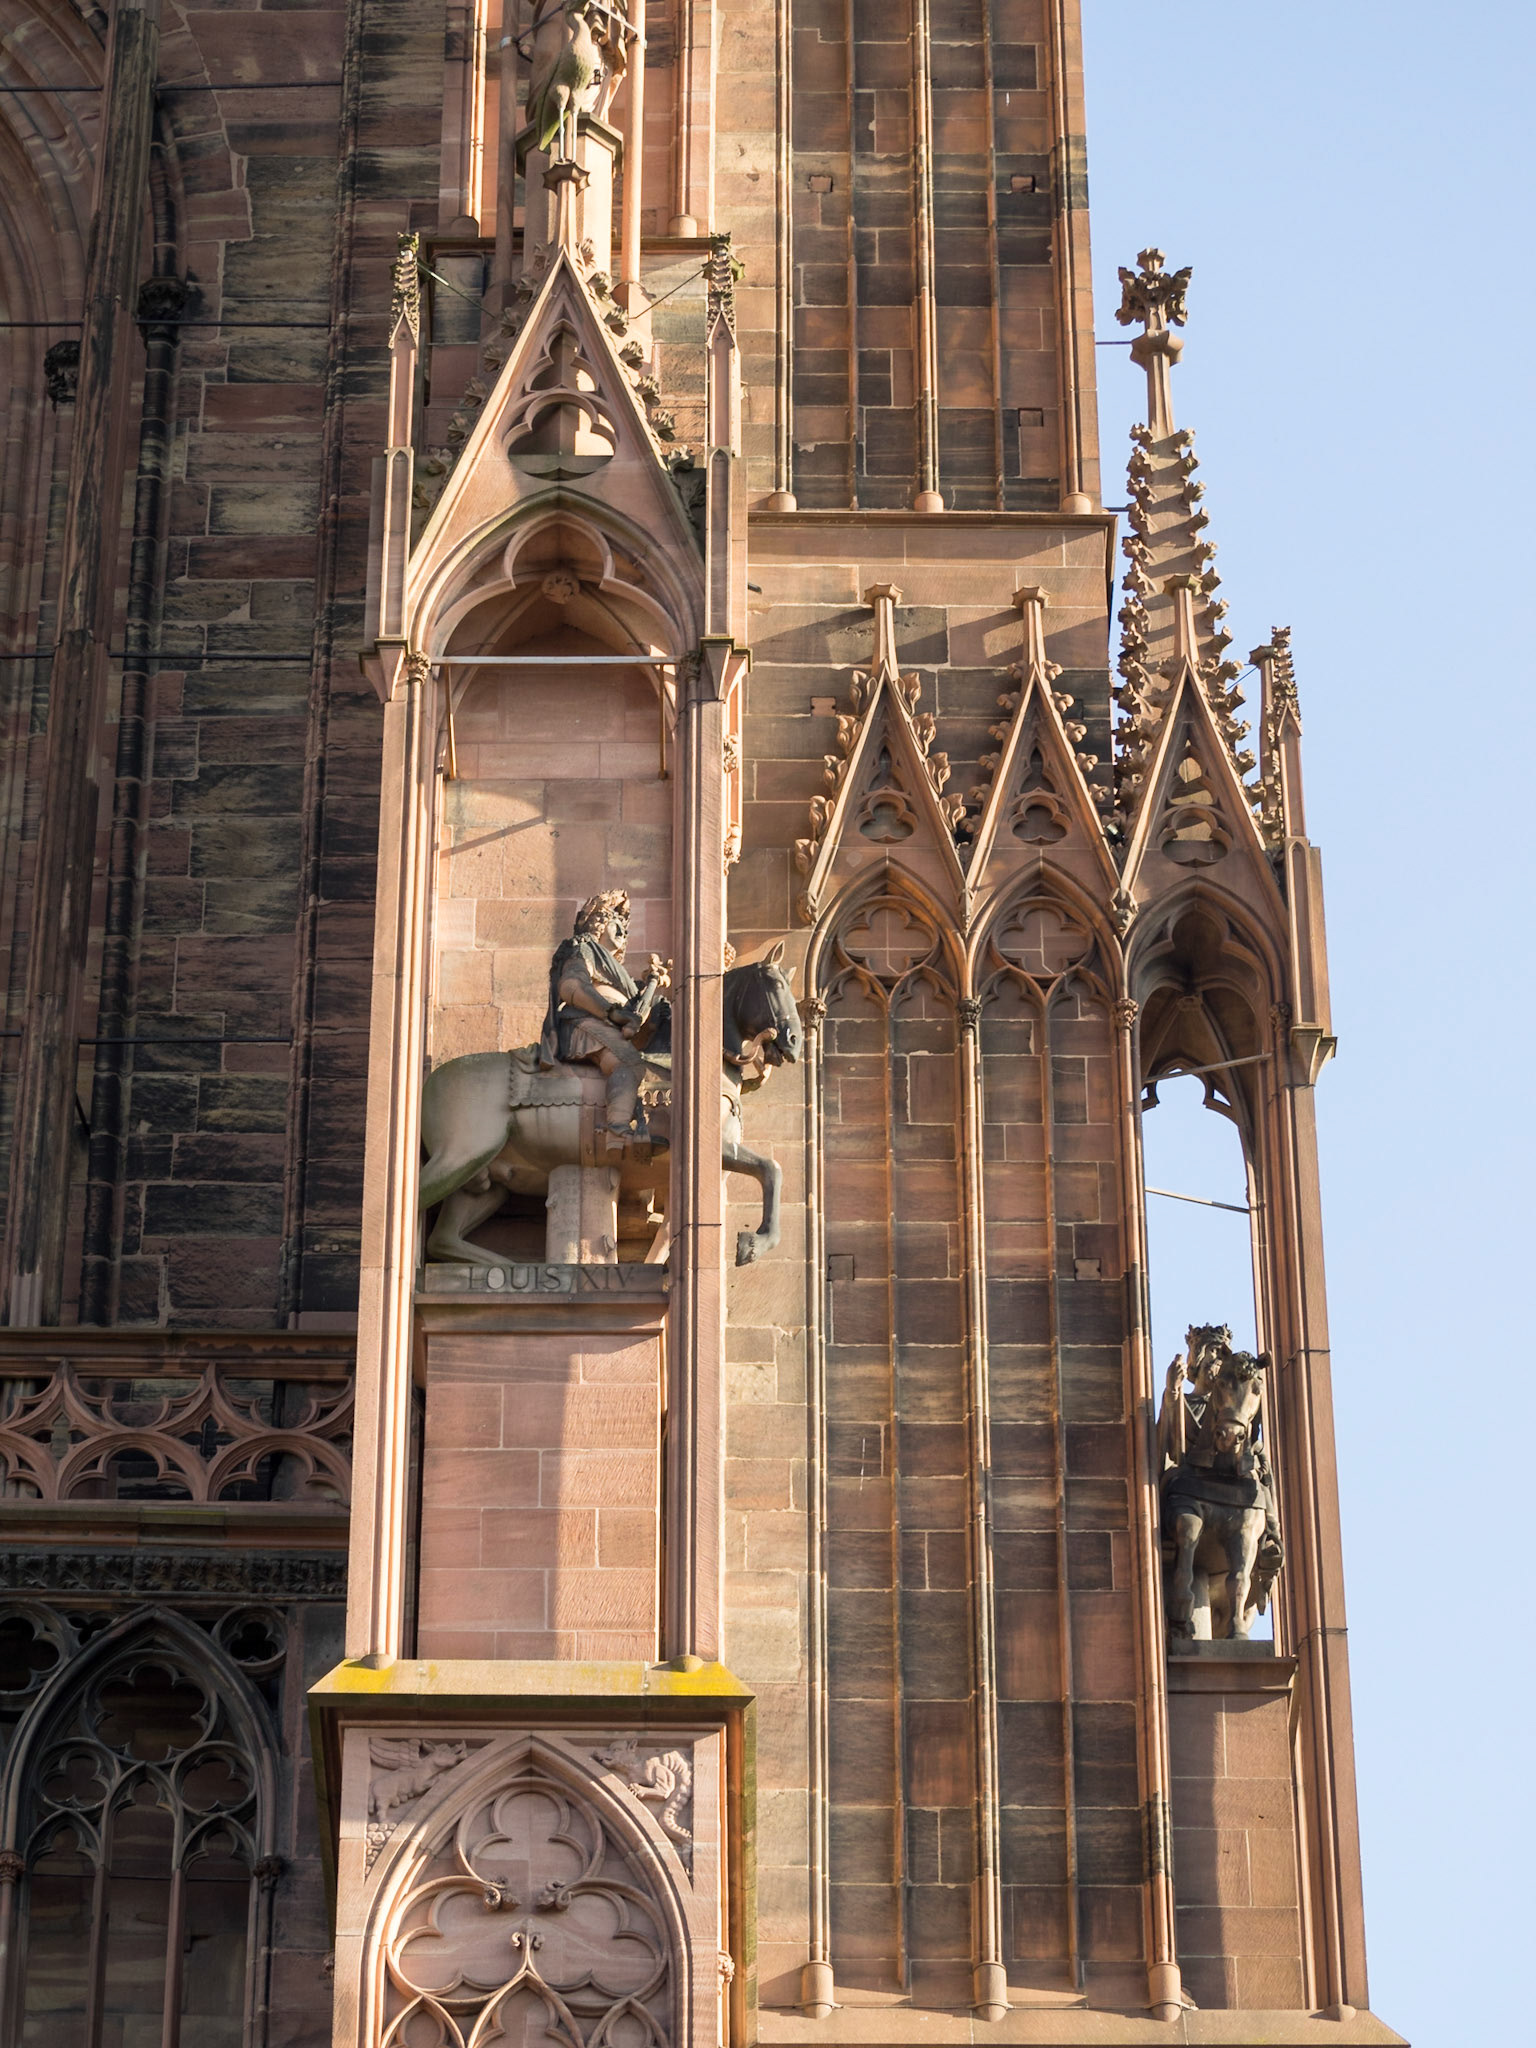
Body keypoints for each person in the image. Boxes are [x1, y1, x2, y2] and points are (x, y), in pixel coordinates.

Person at [539, 890, 670, 1141]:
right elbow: (571, 986)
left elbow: (638, 1017)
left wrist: (653, 996)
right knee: (629, 1063)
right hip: (584, 1023)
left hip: (609, 1028)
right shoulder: (584, 948)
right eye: (616, 924)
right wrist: (611, 1012)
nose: (623, 933)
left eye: (626, 929)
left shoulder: (620, 975)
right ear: (598, 923)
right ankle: (617, 1130)